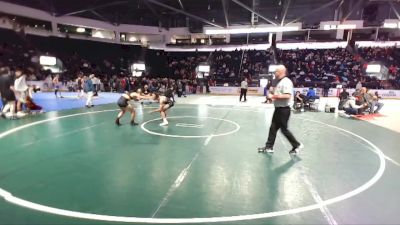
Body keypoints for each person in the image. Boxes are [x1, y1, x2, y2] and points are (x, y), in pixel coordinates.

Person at [258, 65, 303, 155]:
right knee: (273, 128)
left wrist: (273, 96)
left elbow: (287, 96)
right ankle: (269, 147)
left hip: (284, 110)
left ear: (282, 72)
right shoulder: (278, 82)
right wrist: (271, 94)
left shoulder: (286, 82)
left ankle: (297, 145)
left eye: (277, 71)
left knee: (284, 129)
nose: (275, 73)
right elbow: (275, 92)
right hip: (278, 109)